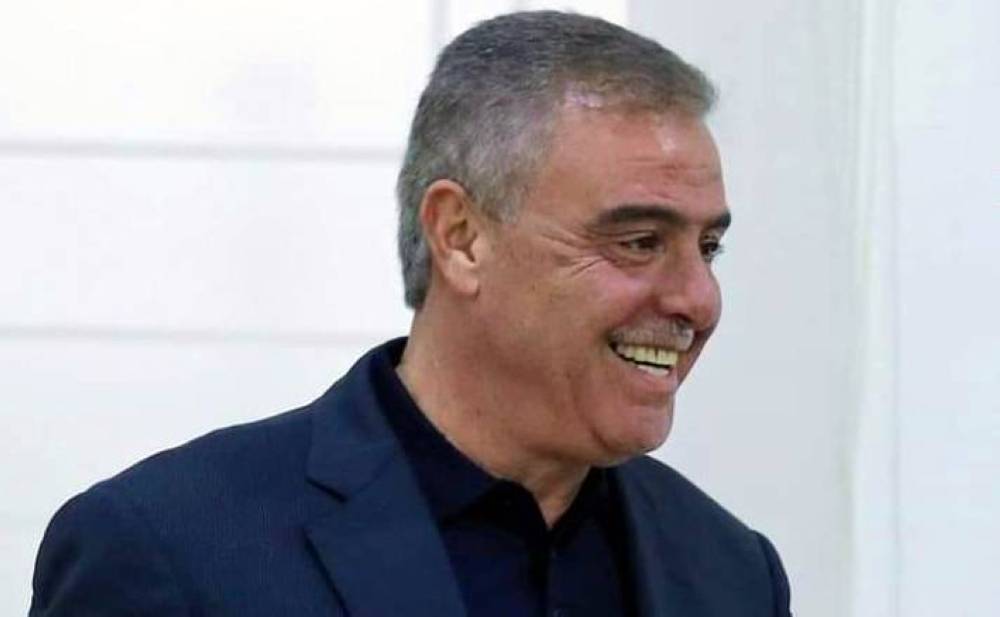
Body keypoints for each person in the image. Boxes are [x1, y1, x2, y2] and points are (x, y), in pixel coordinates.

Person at [30, 11, 792, 617]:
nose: (697, 298)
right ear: (460, 237)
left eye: (709, 247)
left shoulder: (731, 572)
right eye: (639, 241)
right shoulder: (170, 551)